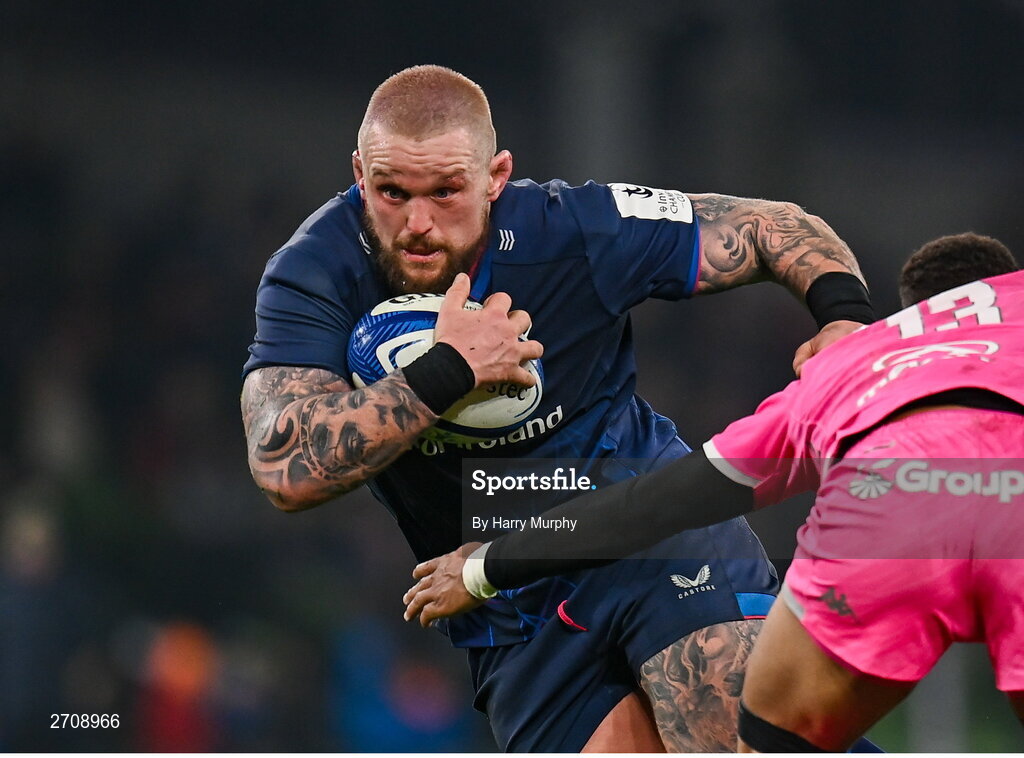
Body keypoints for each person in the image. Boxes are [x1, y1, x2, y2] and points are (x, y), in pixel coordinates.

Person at [241, 64, 874, 752]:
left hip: (644, 525)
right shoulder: (314, 272)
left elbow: (768, 226)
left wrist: (842, 316)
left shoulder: (573, 229)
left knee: (729, 732)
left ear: (497, 175)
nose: (418, 224)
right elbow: (285, 470)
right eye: (392, 192)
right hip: (503, 602)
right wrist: (450, 371)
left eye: (447, 191)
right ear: (360, 173)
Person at [403, 232, 1024, 751]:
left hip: (882, 510)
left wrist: (486, 566)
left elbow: (662, 500)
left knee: (765, 735)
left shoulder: (849, 368)